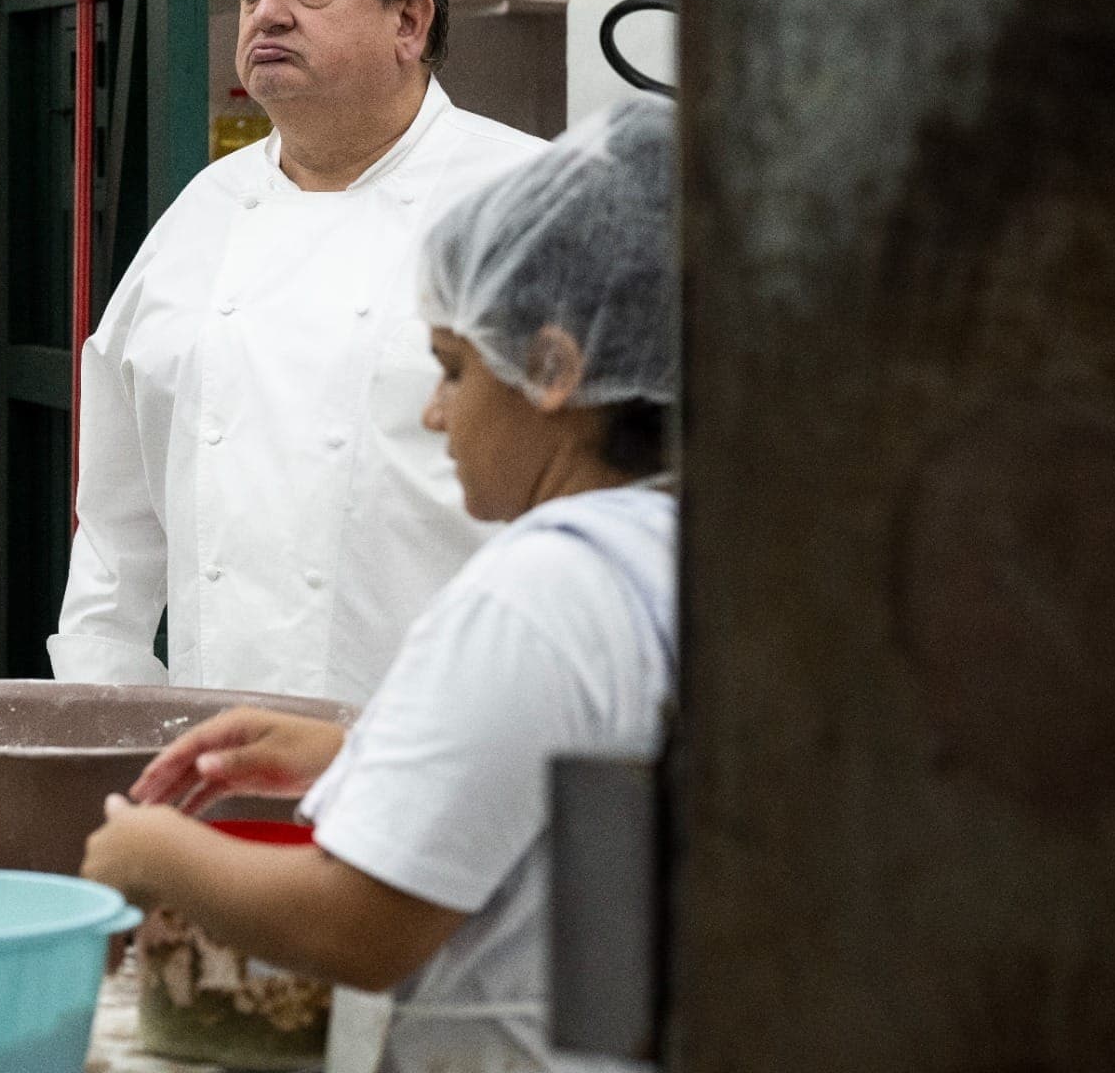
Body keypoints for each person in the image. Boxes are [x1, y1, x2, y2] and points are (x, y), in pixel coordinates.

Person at [82, 97, 679, 1073]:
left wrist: (151, 854)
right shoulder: (667, 551)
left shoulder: (534, 591)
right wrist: (363, 753)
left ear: (555, 370)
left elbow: (357, 926)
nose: (435, 414)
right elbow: (583, 804)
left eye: (452, 370)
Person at [49, 0, 546, 705]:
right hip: (218, 738)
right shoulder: (203, 212)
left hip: (455, 733)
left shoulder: (531, 204)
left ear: (409, 22)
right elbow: (114, 518)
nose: (268, 14)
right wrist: (109, 706)